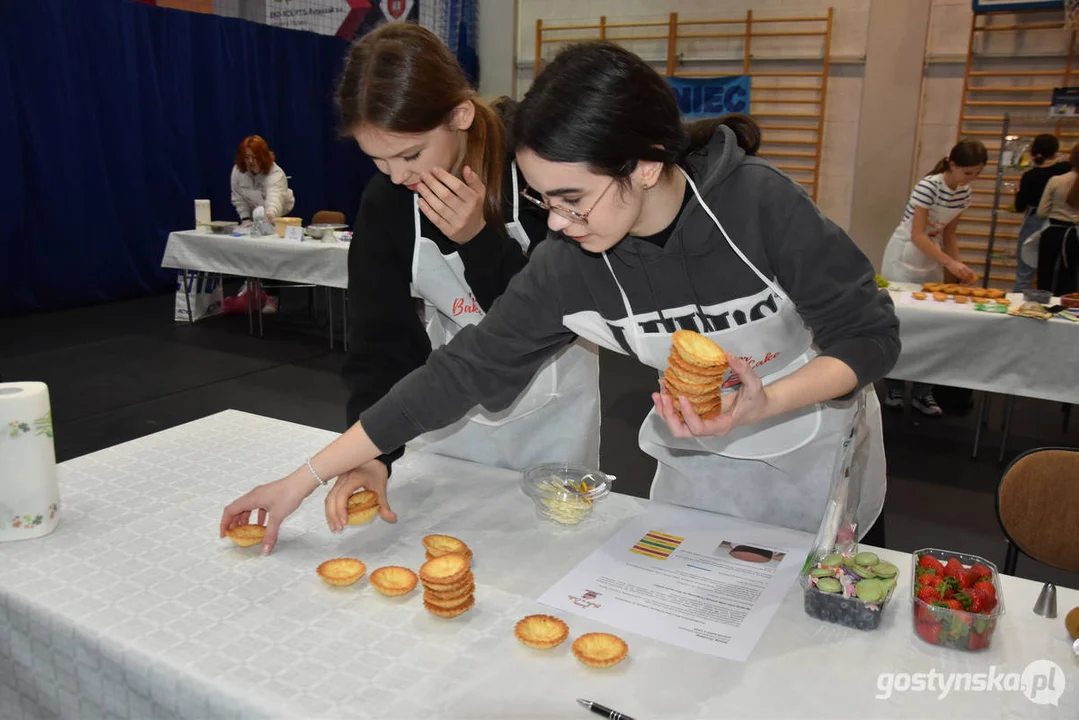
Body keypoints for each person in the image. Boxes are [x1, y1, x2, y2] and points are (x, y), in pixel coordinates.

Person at [220, 41, 900, 555]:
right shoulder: (571, 261)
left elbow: (869, 337)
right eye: (543, 201)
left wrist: (769, 400)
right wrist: (303, 477)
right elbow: (458, 371)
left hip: (811, 452)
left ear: (644, 164)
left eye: (571, 199)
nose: (556, 222)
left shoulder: (756, 204)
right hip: (698, 466)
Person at [335, 23, 600, 499]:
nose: (398, 176)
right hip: (450, 417)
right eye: (378, 161)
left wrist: (479, 241)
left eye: (410, 154)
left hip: (553, 413)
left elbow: (558, 313)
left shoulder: (538, 166)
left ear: (458, 115)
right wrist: (371, 454)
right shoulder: (389, 201)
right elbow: (379, 338)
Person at [880, 139, 987, 417]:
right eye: (967, 173)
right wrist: (950, 262)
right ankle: (892, 385)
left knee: (934, 323)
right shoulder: (928, 185)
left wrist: (958, 268)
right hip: (905, 254)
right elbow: (917, 234)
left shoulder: (964, 192)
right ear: (952, 164)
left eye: (976, 173)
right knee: (901, 321)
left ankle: (922, 391)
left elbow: (948, 234)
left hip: (932, 255)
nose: (971, 179)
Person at [1013, 134, 1070, 292]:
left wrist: (1018, 192)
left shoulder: (1030, 176)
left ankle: (1018, 308)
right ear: (1055, 151)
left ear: (1033, 152)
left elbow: (1020, 206)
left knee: (1024, 272)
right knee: (1054, 272)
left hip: (1034, 219)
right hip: (1059, 223)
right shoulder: (1064, 170)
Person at [1035, 143, 1079, 295]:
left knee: (1045, 277)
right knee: (1070, 278)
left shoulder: (1056, 180)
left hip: (1053, 233)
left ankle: (1041, 309)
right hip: (1075, 236)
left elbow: (1041, 212)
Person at [230, 135, 296, 225]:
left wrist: (270, 215)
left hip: (279, 216)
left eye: (254, 157)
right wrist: (245, 219)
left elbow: (274, 198)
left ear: (263, 157)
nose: (250, 161)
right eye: (246, 157)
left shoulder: (276, 174)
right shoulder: (238, 171)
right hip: (255, 216)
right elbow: (238, 198)